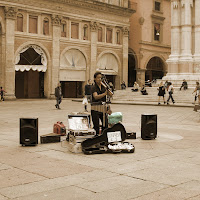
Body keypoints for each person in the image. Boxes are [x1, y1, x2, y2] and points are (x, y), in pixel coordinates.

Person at [91, 72, 112, 136]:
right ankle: (96, 138)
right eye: (98, 78)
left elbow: (109, 96)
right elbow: (96, 96)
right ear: (94, 79)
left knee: (105, 125)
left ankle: (104, 138)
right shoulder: (93, 87)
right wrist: (105, 94)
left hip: (103, 107)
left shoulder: (104, 86)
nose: (100, 79)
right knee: (96, 126)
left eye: (101, 78)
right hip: (95, 107)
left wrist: (109, 91)